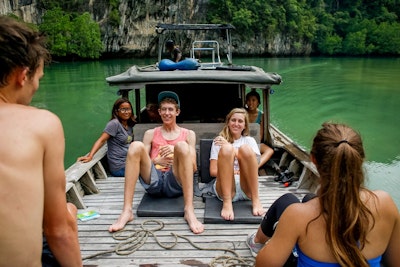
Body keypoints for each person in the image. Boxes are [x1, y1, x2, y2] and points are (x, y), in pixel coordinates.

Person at [248, 122, 400, 267]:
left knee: (287, 200)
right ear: (359, 159)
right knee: (309, 199)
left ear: (313, 159)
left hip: (299, 221)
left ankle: (256, 242)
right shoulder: (385, 203)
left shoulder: (297, 217)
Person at [0, 15, 82, 266]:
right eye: (39, 78)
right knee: (69, 212)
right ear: (22, 75)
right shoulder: (41, 124)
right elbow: (58, 231)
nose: (36, 87)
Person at [109, 91, 204, 234]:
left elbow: (194, 167)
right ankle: (126, 211)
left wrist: (175, 151)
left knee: (182, 146)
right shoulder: (150, 133)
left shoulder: (188, 134)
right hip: (154, 180)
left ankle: (189, 210)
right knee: (135, 146)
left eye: (170, 110)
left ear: (177, 112)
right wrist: (156, 160)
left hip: (175, 180)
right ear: (159, 112)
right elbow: (142, 161)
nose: (167, 113)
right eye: (164, 110)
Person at [209, 108, 266, 221]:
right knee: (226, 149)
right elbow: (213, 171)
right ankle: (227, 203)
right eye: (233, 120)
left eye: (240, 121)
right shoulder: (219, 141)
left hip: (246, 185)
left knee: (245, 149)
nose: (236, 124)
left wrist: (234, 152)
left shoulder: (250, 141)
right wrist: (231, 170)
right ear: (228, 123)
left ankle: (256, 200)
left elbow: (254, 166)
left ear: (245, 125)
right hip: (226, 186)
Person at [77, 98, 136, 177]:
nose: (126, 112)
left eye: (128, 109)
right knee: (148, 169)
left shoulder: (129, 125)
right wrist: (90, 156)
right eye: (123, 109)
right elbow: (101, 140)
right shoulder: (114, 124)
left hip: (129, 162)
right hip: (119, 167)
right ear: (116, 111)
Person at [245, 90, 274, 169]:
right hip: (243, 141)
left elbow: (260, 134)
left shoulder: (261, 115)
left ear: (258, 102)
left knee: (269, 151)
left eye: (253, 100)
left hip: (255, 141)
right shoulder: (243, 113)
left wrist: (254, 143)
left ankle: (254, 167)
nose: (251, 103)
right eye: (248, 100)